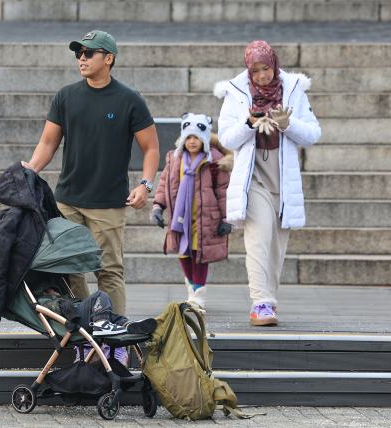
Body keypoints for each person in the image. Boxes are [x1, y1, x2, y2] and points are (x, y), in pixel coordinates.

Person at [22, 30, 160, 361]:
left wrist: (145, 184)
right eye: (79, 53)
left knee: (108, 269)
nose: (82, 58)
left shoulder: (129, 99)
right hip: (67, 199)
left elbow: (151, 146)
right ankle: (86, 335)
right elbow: (48, 143)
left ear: (108, 59)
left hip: (109, 204)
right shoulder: (66, 96)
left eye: (90, 52)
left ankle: (116, 344)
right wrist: (31, 169)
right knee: (70, 270)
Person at [214, 41, 321, 326]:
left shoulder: (294, 88)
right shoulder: (236, 91)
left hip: (283, 181)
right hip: (254, 178)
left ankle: (269, 302)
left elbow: (312, 134)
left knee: (276, 247)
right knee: (260, 238)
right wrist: (248, 123)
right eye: (256, 70)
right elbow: (226, 138)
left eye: (266, 68)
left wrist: (288, 124)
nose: (262, 76)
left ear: (275, 64)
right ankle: (260, 302)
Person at [150, 113, 233, 312]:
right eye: (188, 137)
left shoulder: (215, 162)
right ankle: (192, 291)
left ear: (204, 139)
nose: (192, 141)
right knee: (184, 254)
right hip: (181, 219)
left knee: (200, 255)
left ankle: (198, 297)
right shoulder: (174, 158)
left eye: (196, 137)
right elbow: (164, 185)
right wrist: (157, 208)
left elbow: (224, 192)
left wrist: (227, 218)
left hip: (205, 219)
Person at [36, 287, 157, 337]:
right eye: (55, 290)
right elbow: (50, 308)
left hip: (77, 316)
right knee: (99, 295)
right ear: (46, 292)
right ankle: (101, 324)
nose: (58, 292)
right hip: (71, 322)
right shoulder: (45, 300)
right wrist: (60, 302)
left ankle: (127, 325)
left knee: (112, 315)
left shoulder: (58, 298)